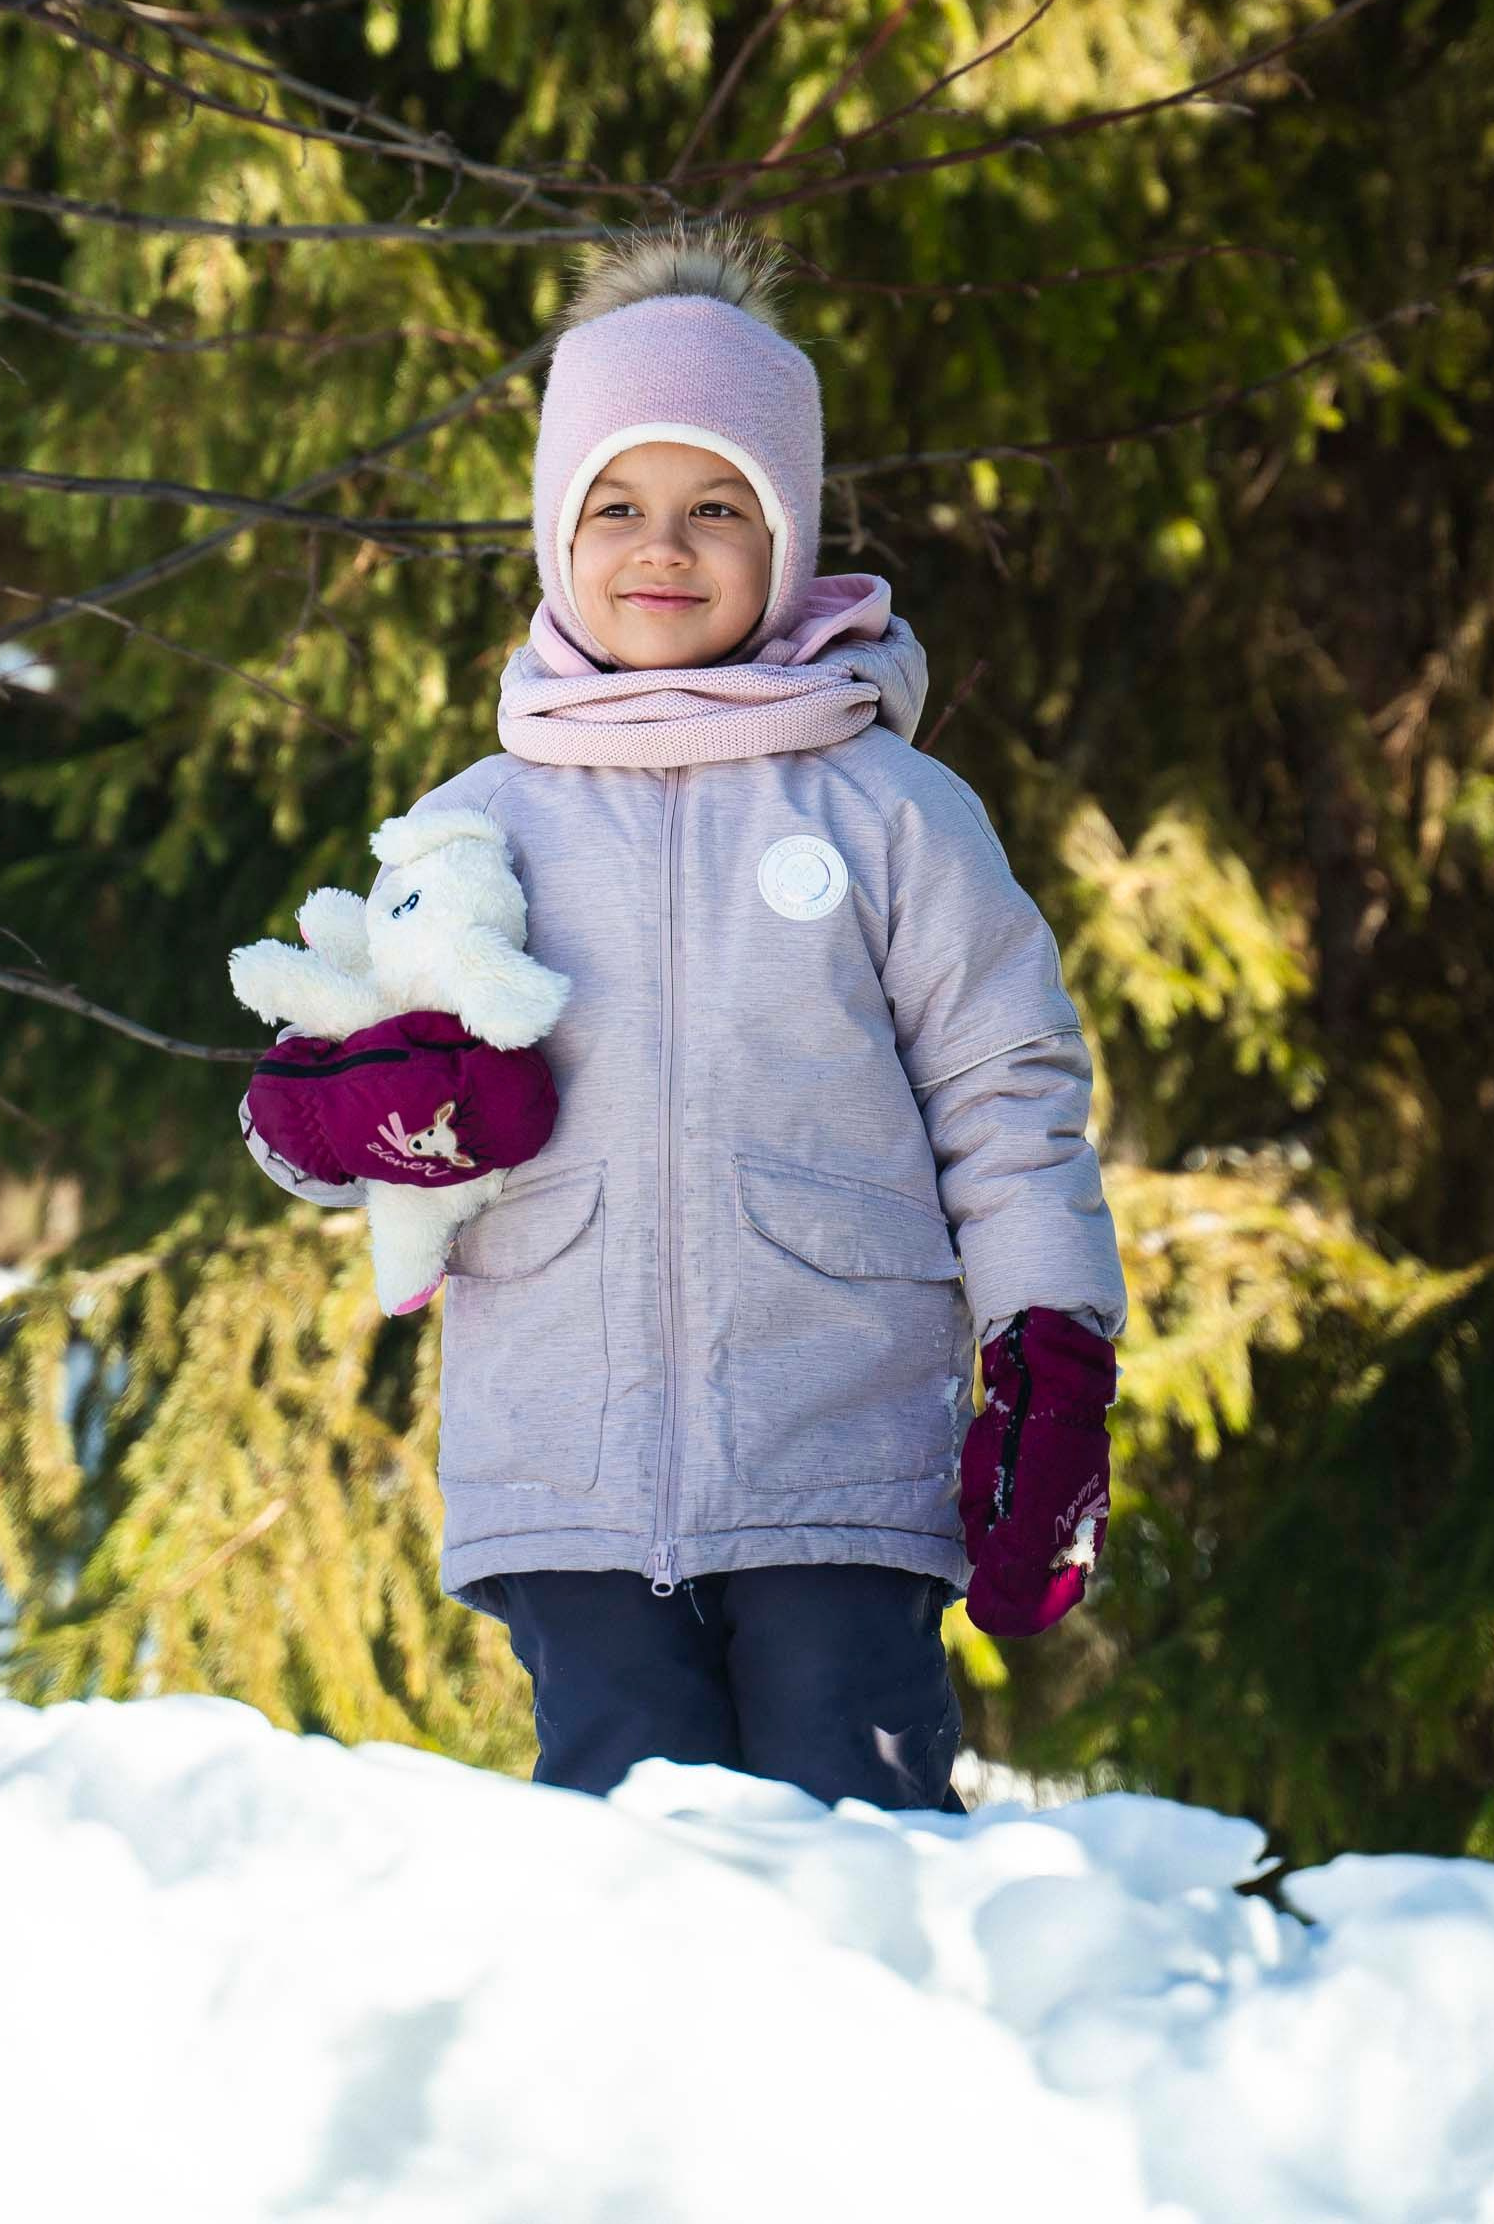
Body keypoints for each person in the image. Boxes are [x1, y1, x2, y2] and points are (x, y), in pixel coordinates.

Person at [407, 225, 1126, 1809]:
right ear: (554, 532)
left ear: (784, 538)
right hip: (565, 1454)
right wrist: (339, 1124)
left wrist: (1049, 1350)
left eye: (714, 507)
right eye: (617, 507)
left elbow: (1006, 1094)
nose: (660, 547)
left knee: (853, 1823)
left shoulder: (889, 806)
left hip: (835, 1443)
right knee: (629, 1857)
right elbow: (374, 1104)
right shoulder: (476, 824)